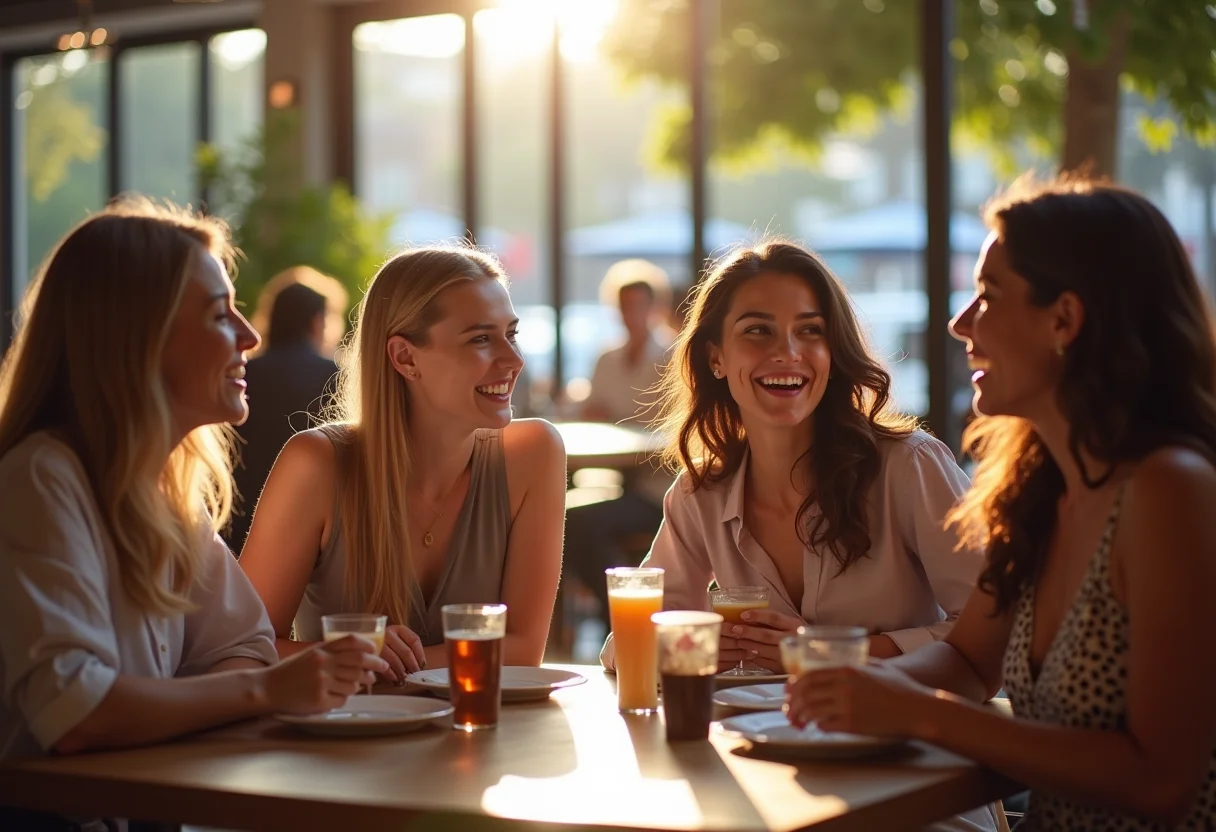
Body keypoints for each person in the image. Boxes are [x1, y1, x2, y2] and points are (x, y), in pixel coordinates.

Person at [786, 178, 1216, 829]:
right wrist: (849, 686)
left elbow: (1161, 781)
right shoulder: (1037, 489)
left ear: (1064, 319)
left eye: (987, 297)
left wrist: (920, 713)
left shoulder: (1168, 491)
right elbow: (966, 660)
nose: (961, 324)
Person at [0, 202, 385, 817]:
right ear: (135, 337)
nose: (250, 337)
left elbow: (246, 645)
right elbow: (74, 713)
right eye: (218, 314)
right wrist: (260, 690)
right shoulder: (41, 479)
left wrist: (240, 685)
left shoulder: (166, 492)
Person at [239, 245, 566, 682]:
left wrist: (375, 663)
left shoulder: (534, 454)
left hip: (482, 741)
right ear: (405, 358)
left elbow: (523, 650)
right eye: (481, 339)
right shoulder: (317, 464)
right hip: (344, 744)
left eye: (512, 334)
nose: (514, 360)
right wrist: (355, 653)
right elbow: (243, 647)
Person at [565, 260, 673, 616]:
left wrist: (614, 417)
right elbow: (594, 408)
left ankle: (627, 615)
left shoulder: (672, 357)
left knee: (578, 522)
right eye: (623, 306)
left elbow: (668, 426)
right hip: (621, 480)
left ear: (654, 308)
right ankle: (605, 616)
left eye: (638, 305)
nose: (630, 314)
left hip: (660, 488)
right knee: (560, 515)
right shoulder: (607, 358)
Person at [226, 267, 347, 551]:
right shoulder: (338, 378)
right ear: (318, 322)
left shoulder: (240, 377)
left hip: (235, 525)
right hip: (311, 531)